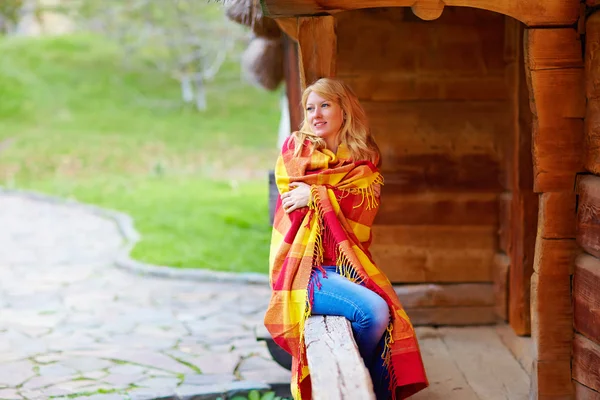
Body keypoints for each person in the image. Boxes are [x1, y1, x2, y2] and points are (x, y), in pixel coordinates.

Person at [264, 78, 428, 400]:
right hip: (305, 271)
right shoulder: (297, 151)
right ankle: (362, 383)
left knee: (392, 321)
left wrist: (317, 195)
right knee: (375, 312)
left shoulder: (363, 162)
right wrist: (321, 195)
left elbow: (360, 223)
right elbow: (293, 213)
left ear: (344, 110)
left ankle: (368, 389)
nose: (316, 114)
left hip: (345, 266)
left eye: (325, 105)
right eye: (310, 108)